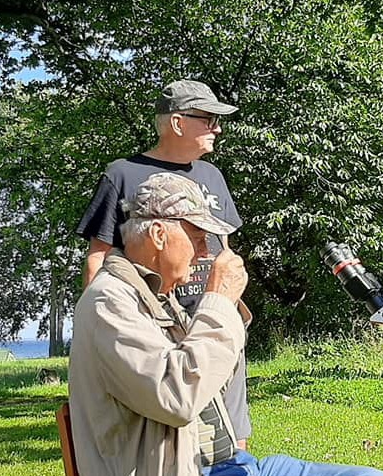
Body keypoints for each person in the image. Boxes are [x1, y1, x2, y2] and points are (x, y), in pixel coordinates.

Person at [70, 174, 383, 476]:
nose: (203, 252)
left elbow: (210, 373)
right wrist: (218, 302)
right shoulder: (110, 303)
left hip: (229, 468)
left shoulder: (157, 297)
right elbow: (176, 396)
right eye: (196, 237)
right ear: (158, 234)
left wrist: (224, 310)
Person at [75, 79, 253, 454]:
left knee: (231, 430)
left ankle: (237, 472)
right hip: (155, 325)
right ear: (177, 123)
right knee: (174, 427)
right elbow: (99, 254)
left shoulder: (212, 177)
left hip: (214, 316)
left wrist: (230, 309)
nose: (217, 128)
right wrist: (94, 335)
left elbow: (226, 250)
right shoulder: (122, 174)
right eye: (208, 119)